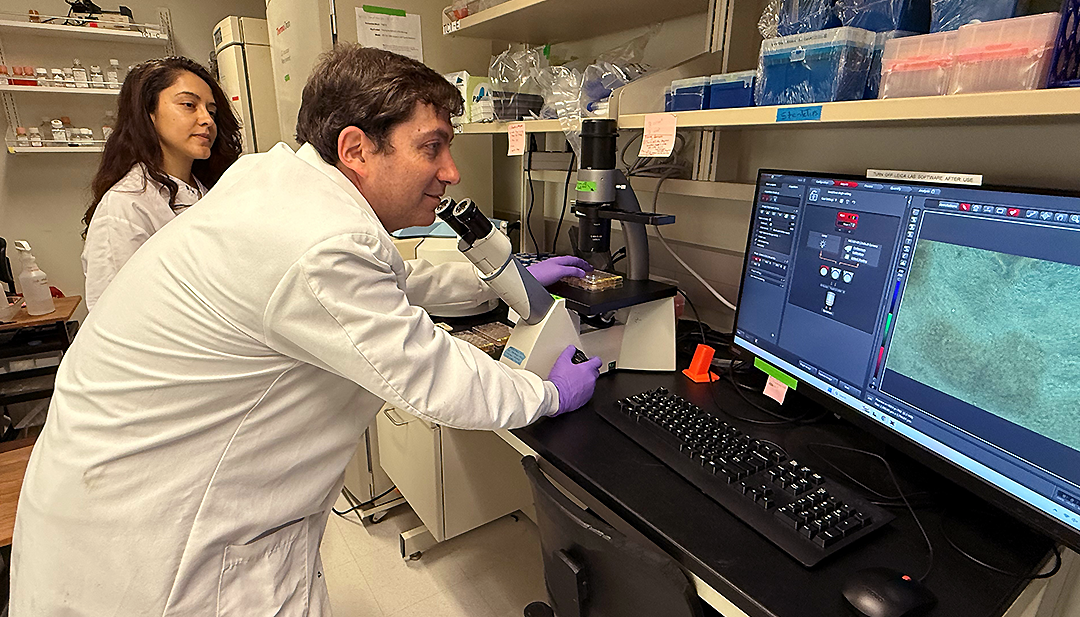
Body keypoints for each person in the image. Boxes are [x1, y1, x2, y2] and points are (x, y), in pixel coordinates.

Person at [11, 45, 602, 615]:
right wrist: (546, 393)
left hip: (116, 494)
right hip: (160, 546)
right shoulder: (323, 241)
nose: (450, 172)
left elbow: (389, 282)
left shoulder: (283, 187)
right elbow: (434, 378)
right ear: (355, 149)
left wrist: (495, 280)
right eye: (433, 147)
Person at [81, 56, 242, 311]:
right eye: (189, 105)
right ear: (149, 113)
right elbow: (114, 314)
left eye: (211, 111)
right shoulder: (125, 205)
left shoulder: (209, 190)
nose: (207, 120)